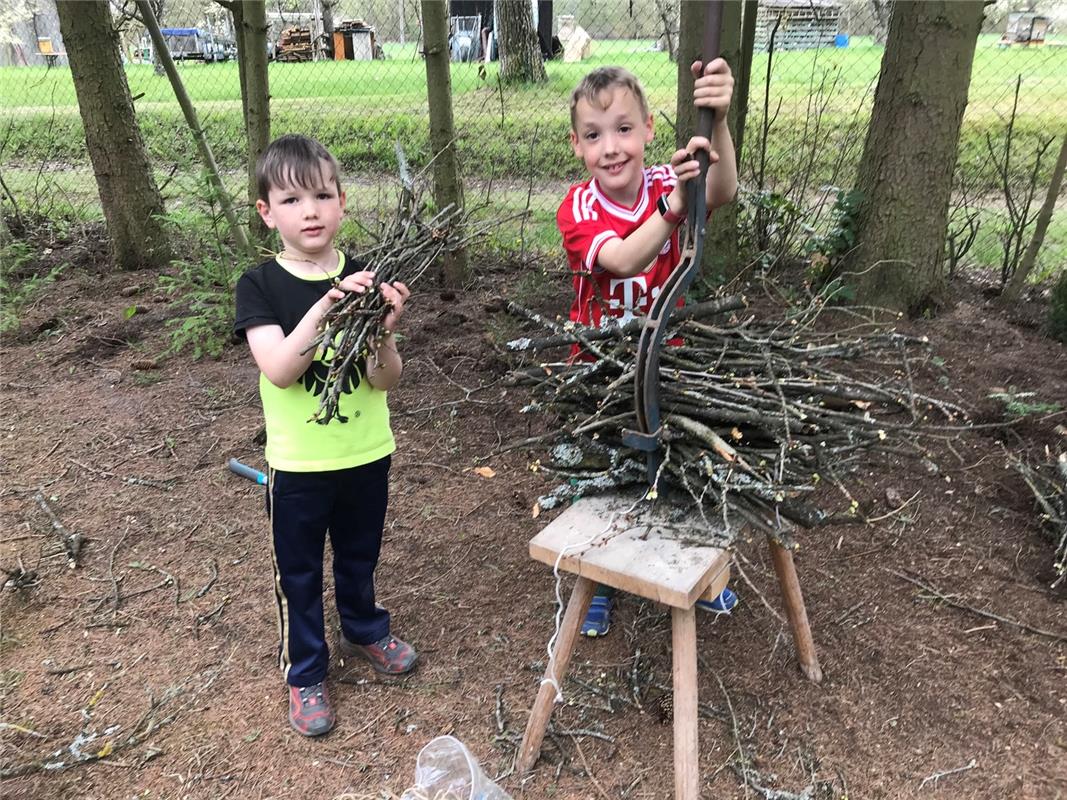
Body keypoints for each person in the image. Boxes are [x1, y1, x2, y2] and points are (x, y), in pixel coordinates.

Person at [234, 134, 417, 737]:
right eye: (290, 199)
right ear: (267, 212)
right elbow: (281, 369)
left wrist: (383, 330)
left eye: (321, 195)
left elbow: (386, 379)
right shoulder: (260, 285)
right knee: (300, 571)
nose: (308, 210)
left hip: (366, 454)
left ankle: (364, 627)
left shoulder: (370, 276)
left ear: (341, 200)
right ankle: (306, 670)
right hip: (299, 466)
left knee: (360, 555)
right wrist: (324, 309)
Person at [556, 61, 740, 637]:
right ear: (577, 146)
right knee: (609, 474)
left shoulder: (668, 180)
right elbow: (622, 260)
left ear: (649, 129)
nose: (610, 148)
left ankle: (686, 567)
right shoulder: (579, 207)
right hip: (601, 371)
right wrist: (673, 210)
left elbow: (722, 189)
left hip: (671, 358)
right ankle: (602, 579)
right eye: (594, 135)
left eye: (623, 129)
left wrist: (722, 121)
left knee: (678, 464)